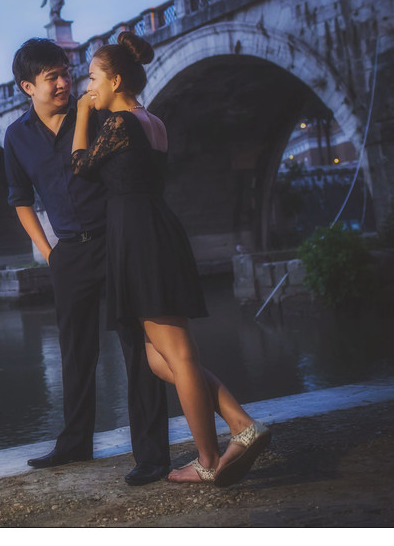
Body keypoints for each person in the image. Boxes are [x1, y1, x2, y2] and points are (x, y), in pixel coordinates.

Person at [70, 31, 271, 486]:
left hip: (139, 236)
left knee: (176, 354)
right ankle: (241, 423)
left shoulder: (119, 124)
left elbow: (80, 167)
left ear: (116, 79)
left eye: (93, 77)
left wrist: (83, 113)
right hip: (152, 229)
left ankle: (207, 459)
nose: (89, 87)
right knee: (160, 357)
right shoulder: (152, 121)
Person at [3, 38, 171, 486]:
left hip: (117, 239)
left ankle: (152, 454)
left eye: (65, 73)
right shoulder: (17, 136)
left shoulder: (99, 115)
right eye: (51, 77)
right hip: (69, 252)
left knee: (138, 348)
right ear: (26, 87)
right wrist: (49, 250)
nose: (63, 83)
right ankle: (75, 442)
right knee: (76, 351)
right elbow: (20, 200)